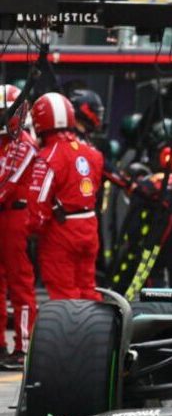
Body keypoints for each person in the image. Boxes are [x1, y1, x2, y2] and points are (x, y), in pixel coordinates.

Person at [26, 92, 105, 301]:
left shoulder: (47, 157)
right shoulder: (92, 153)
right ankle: (95, 331)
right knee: (88, 288)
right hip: (89, 225)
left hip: (61, 231)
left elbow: (38, 203)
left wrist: (32, 231)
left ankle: (69, 333)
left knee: (63, 293)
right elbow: (94, 188)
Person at [0, 85, 37, 368]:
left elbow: (7, 186)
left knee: (19, 283)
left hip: (14, 217)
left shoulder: (24, 144)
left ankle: (23, 347)